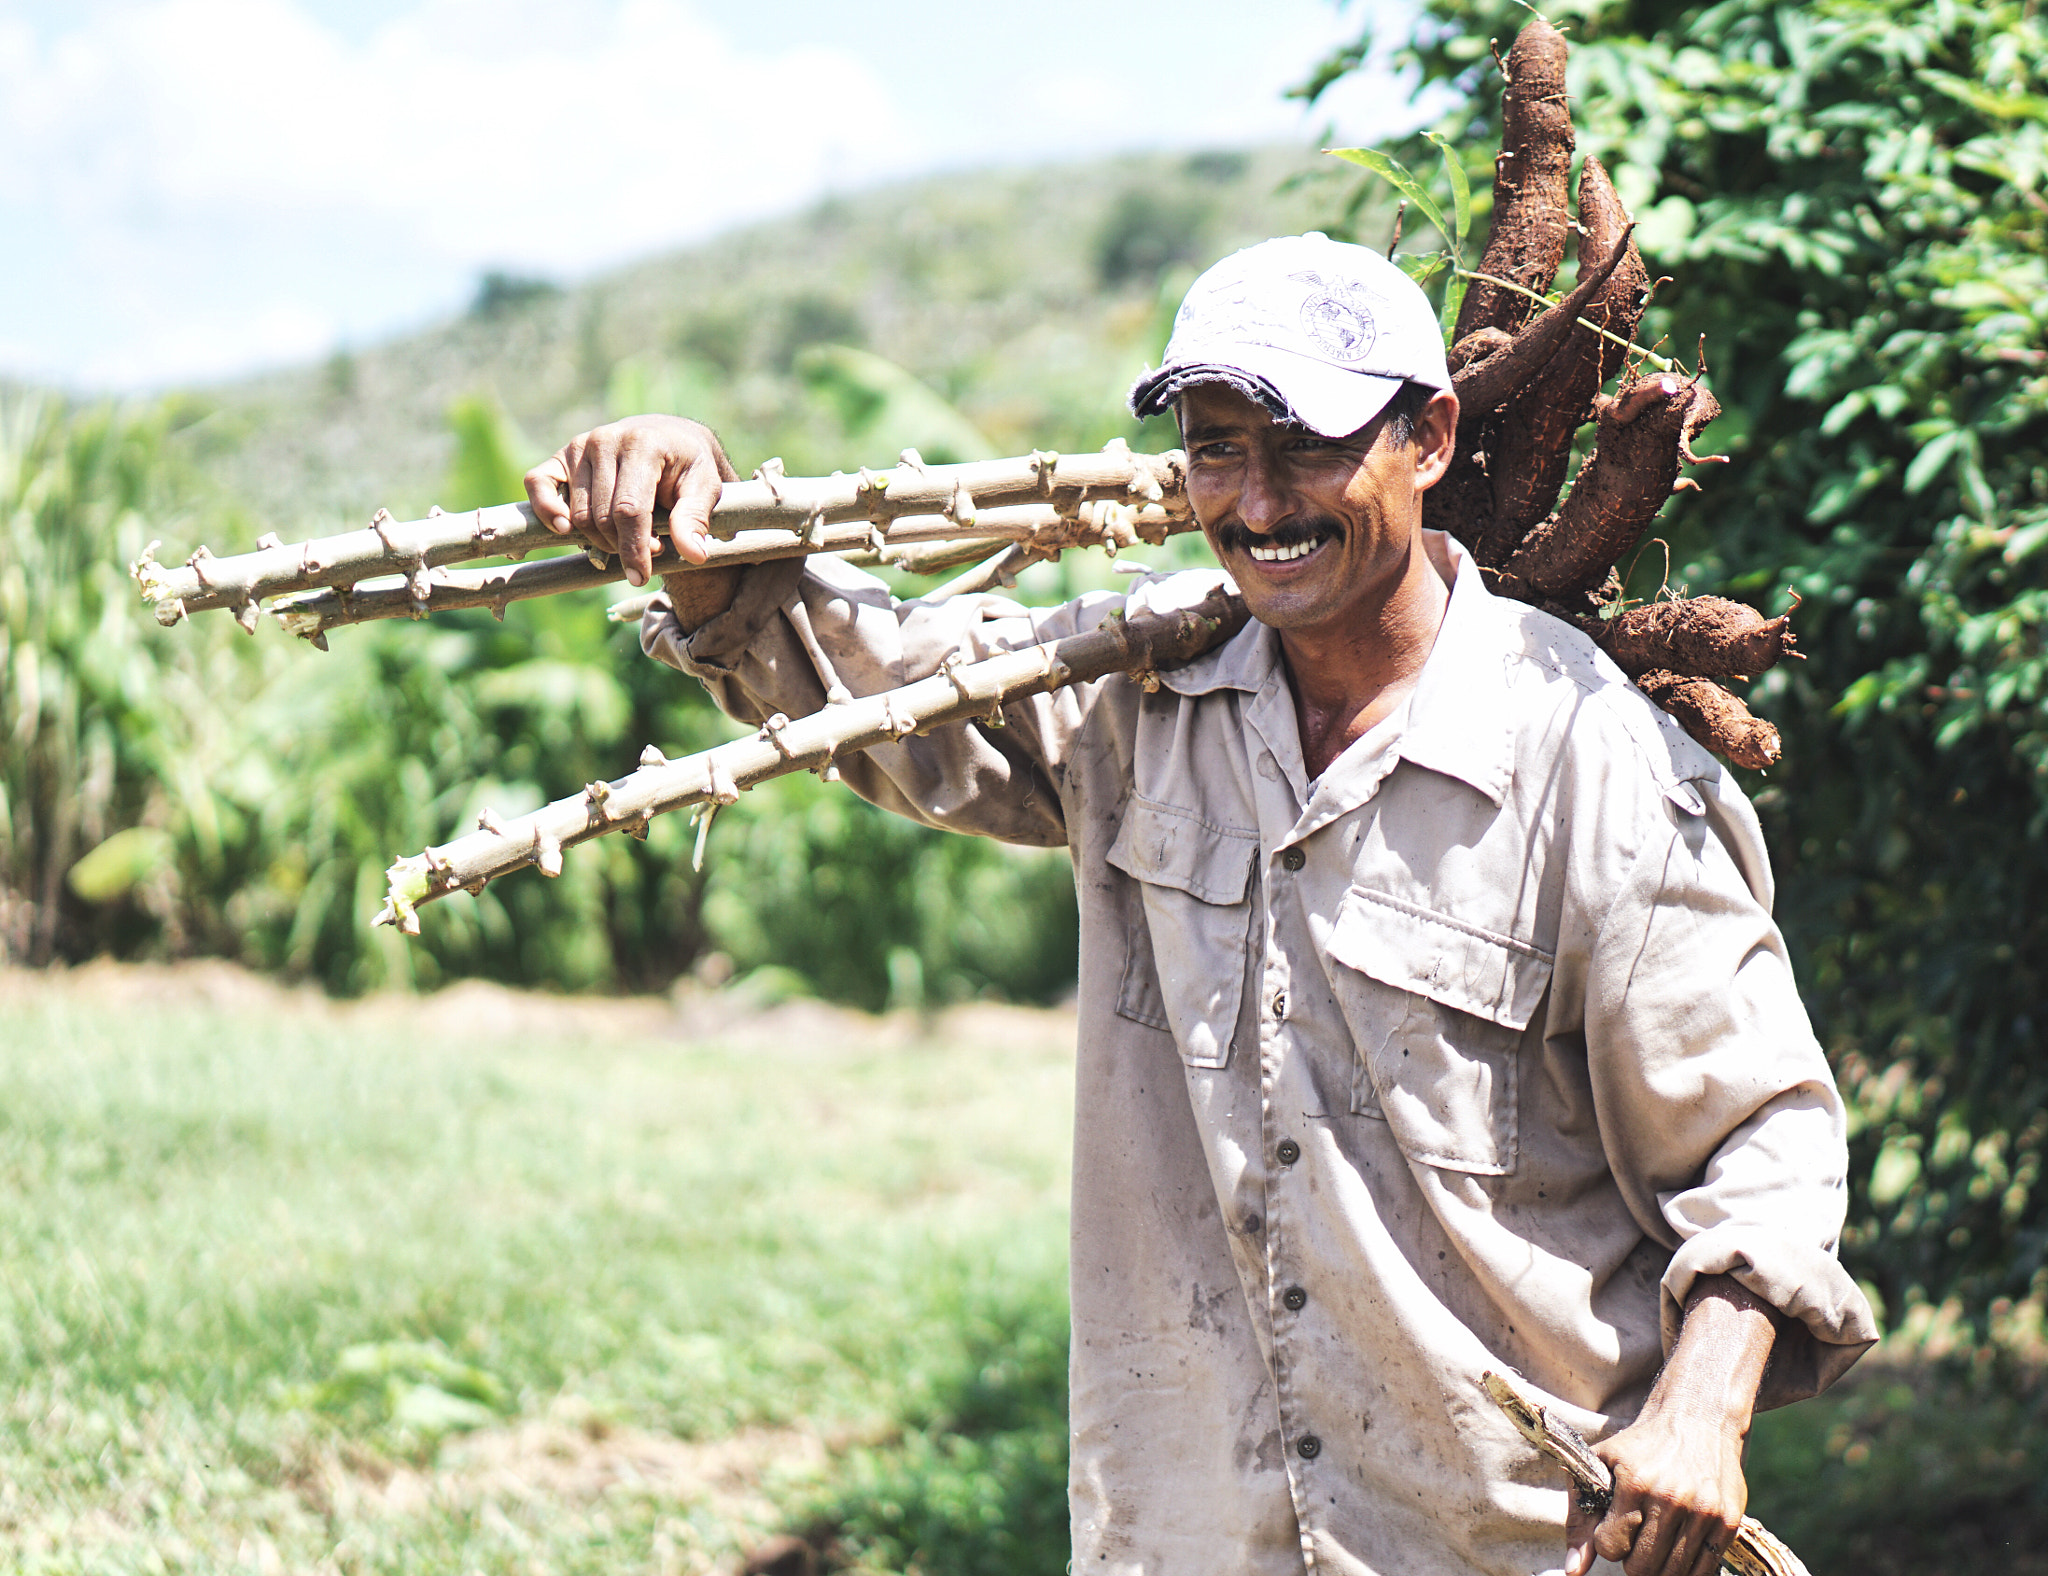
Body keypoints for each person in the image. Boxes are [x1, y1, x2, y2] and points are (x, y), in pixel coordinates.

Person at [525, 234, 1876, 1576]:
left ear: (1431, 436)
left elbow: (1760, 1139)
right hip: (1188, 1529)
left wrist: (1702, 1411)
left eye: (1304, 447)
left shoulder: (1589, 755)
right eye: (1218, 447)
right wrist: (694, 532)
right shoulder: (1144, 688)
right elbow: (880, 689)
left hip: (1505, 1537)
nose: (1259, 502)